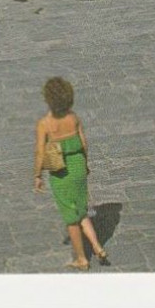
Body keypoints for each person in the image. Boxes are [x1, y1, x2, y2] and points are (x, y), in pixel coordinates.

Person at [33, 77, 106, 270]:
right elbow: (84, 143)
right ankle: (97, 246)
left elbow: (40, 153)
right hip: (78, 166)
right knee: (81, 210)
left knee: (71, 218)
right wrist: (85, 164)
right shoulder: (74, 118)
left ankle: (82, 258)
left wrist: (38, 175)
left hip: (61, 173)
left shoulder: (45, 124)